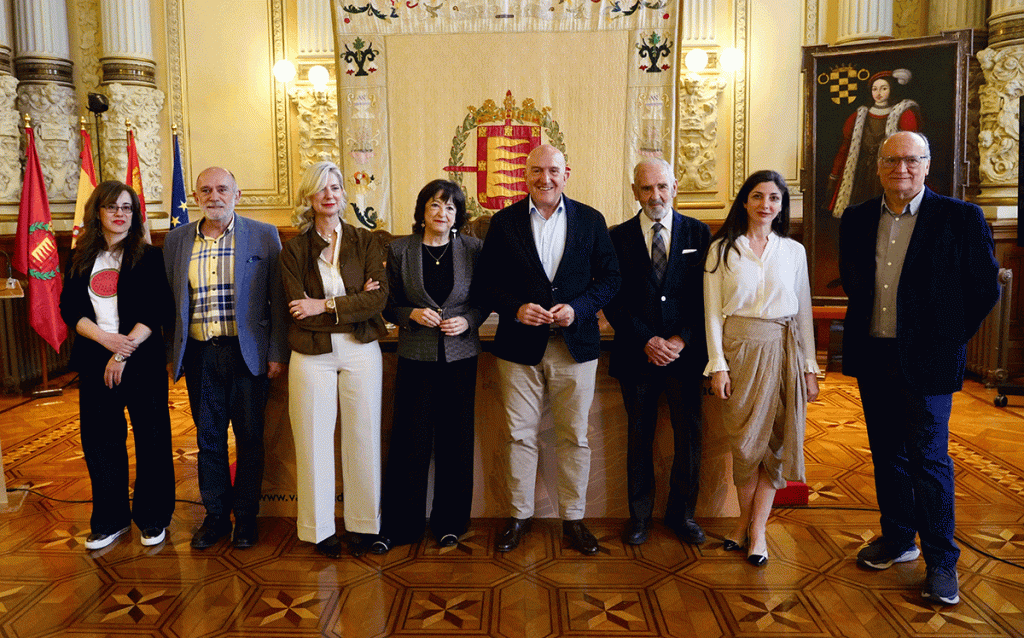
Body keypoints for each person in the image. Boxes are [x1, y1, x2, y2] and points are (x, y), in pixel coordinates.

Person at [839, 131, 999, 606]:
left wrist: (948, 337)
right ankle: (897, 539)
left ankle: (942, 562)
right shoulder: (857, 218)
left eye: (911, 160)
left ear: (927, 165)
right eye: (891, 160)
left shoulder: (960, 217)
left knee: (929, 461)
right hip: (875, 355)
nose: (901, 169)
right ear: (878, 167)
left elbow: (984, 288)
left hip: (929, 360)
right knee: (887, 455)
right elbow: (853, 280)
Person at [474, 144, 620, 555]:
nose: (545, 178)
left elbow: (611, 279)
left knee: (575, 437)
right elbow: (486, 284)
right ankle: (519, 516)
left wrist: (579, 308)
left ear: (566, 174)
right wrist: (515, 308)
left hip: (575, 346)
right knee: (519, 436)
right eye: (537, 171)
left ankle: (573, 519)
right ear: (525, 175)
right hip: (519, 348)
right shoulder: (503, 223)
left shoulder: (591, 220)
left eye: (553, 170)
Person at [164, 167, 288, 550]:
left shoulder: (264, 235)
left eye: (222, 189)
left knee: (250, 439)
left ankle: (246, 519)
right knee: (209, 439)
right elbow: (171, 304)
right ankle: (216, 516)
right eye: (205, 190)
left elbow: (278, 301)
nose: (213, 196)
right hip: (201, 356)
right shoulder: (177, 240)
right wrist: (172, 354)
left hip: (247, 355)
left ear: (238, 194)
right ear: (196, 198)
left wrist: (276, 352)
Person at [704, 169, 820, 567]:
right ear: (745, 201)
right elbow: (712, 314)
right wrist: (718, 366)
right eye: (757, 196)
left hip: (785, 352)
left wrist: (810, 368)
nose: (765, 204)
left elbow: (803, 312)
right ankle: (742, 522)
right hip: (740, 352)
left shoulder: (793, 252)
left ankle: (756, 530)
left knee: (776, 444)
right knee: (745, 445)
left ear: (782, 206)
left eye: (774, 198)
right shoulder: (722, 249)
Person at [280, 161, 388, 558]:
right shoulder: (293, 249)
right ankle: (319, 529)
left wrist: (323, 304)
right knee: (313, 441)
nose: (329, 194)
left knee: (363, 437)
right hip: (311, 353)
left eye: (336, 187)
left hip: (361, 348)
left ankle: (364, 524)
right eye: (321, 188)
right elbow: (298, 309)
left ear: (344, 195)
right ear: (309, 197)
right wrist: (353, 300)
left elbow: (378, 299)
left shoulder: (366, 241)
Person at [59, 180, 175, 550]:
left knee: (152, 439)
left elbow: (157, 308)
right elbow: (69, 309)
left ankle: (153, 517)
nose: (120, 214)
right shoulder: (80, 257)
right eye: (112, 207)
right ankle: (110, 521)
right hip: (96, 359)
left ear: (134, 214)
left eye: (127, 207)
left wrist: (122, 352)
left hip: (141, 359)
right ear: (97, 212)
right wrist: (106, 341)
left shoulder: (149, 255)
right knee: (101, 441)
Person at [371, 179, 485, 554]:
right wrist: (411, 314)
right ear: (422, 211)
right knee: (410, 440)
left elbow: (486, 298)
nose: (442, 213)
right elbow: (388, 304)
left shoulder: (473, 249)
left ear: (458, 216)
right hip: (415, 355)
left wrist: (468, 320)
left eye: (451, 208)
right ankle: (401, 525)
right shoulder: (400, 249)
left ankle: (450, 523)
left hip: (460, 356)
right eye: (435, 205)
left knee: (456, 441)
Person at [604, 158, 711, 546]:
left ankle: (683, 516)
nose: (655, 195)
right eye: (647, 188)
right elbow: (612, 299)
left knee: (689, 440)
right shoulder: (616, 237)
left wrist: (681, 339)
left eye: (662, 186)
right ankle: (639, 517)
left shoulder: (699, 233)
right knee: (638, 438)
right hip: (638, 356)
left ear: (675, 187)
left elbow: (708, 297)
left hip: (686, 358)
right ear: (635, 192)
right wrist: (646, 340)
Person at [828, 69, 920, 217]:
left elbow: (911, 149)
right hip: (862, 172)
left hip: (887, 170)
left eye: (884, 88)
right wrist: (834, 173)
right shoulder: (859, 116)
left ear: (891, 90)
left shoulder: (903, 114)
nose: (878, 93)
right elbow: (845, 147)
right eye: (874, 89)